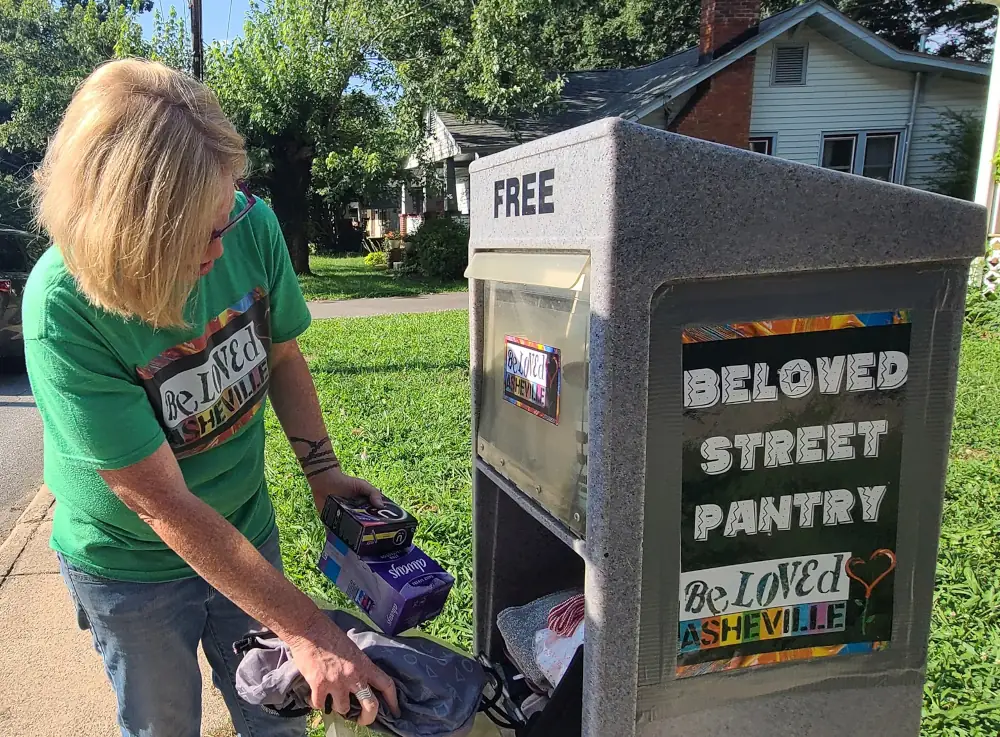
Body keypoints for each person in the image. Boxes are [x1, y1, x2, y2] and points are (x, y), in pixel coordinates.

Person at [23, 58, 400, 737]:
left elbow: (282, 352)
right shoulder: (61, 309)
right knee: (163, 724)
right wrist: (309, 628)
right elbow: (160, 502)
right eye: (200, 231)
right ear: (131, 238)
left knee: (275, 720)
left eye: (226, 213)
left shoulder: (249, 226)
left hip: (244, 531)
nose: (223, 244)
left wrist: (321, 471)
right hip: (129, 568)